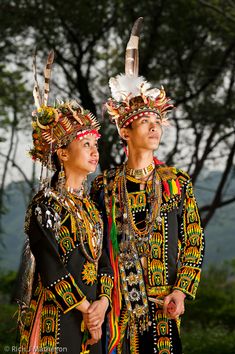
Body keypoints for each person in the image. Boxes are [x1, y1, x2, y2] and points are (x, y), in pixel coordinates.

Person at [91, 18, 205, 354]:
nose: (155, 128)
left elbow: (194, 241)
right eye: (146, 122)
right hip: (117, 310)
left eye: (158, 122)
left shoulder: (176, 182)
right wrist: (103, 297)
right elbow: (96, 250)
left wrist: (181, 292)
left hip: (163, 307)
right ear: (125, 132)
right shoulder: (105, 186)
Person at [17, 51, 113, 354]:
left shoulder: (93, 207)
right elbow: (49, 264)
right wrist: (86, 308)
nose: (94, 152)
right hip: (56, 318)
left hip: (94, 321)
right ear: (62, 153)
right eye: (86, 144)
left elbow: (107, 263)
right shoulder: (46, 204)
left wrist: (102, 304)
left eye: (95, 145)